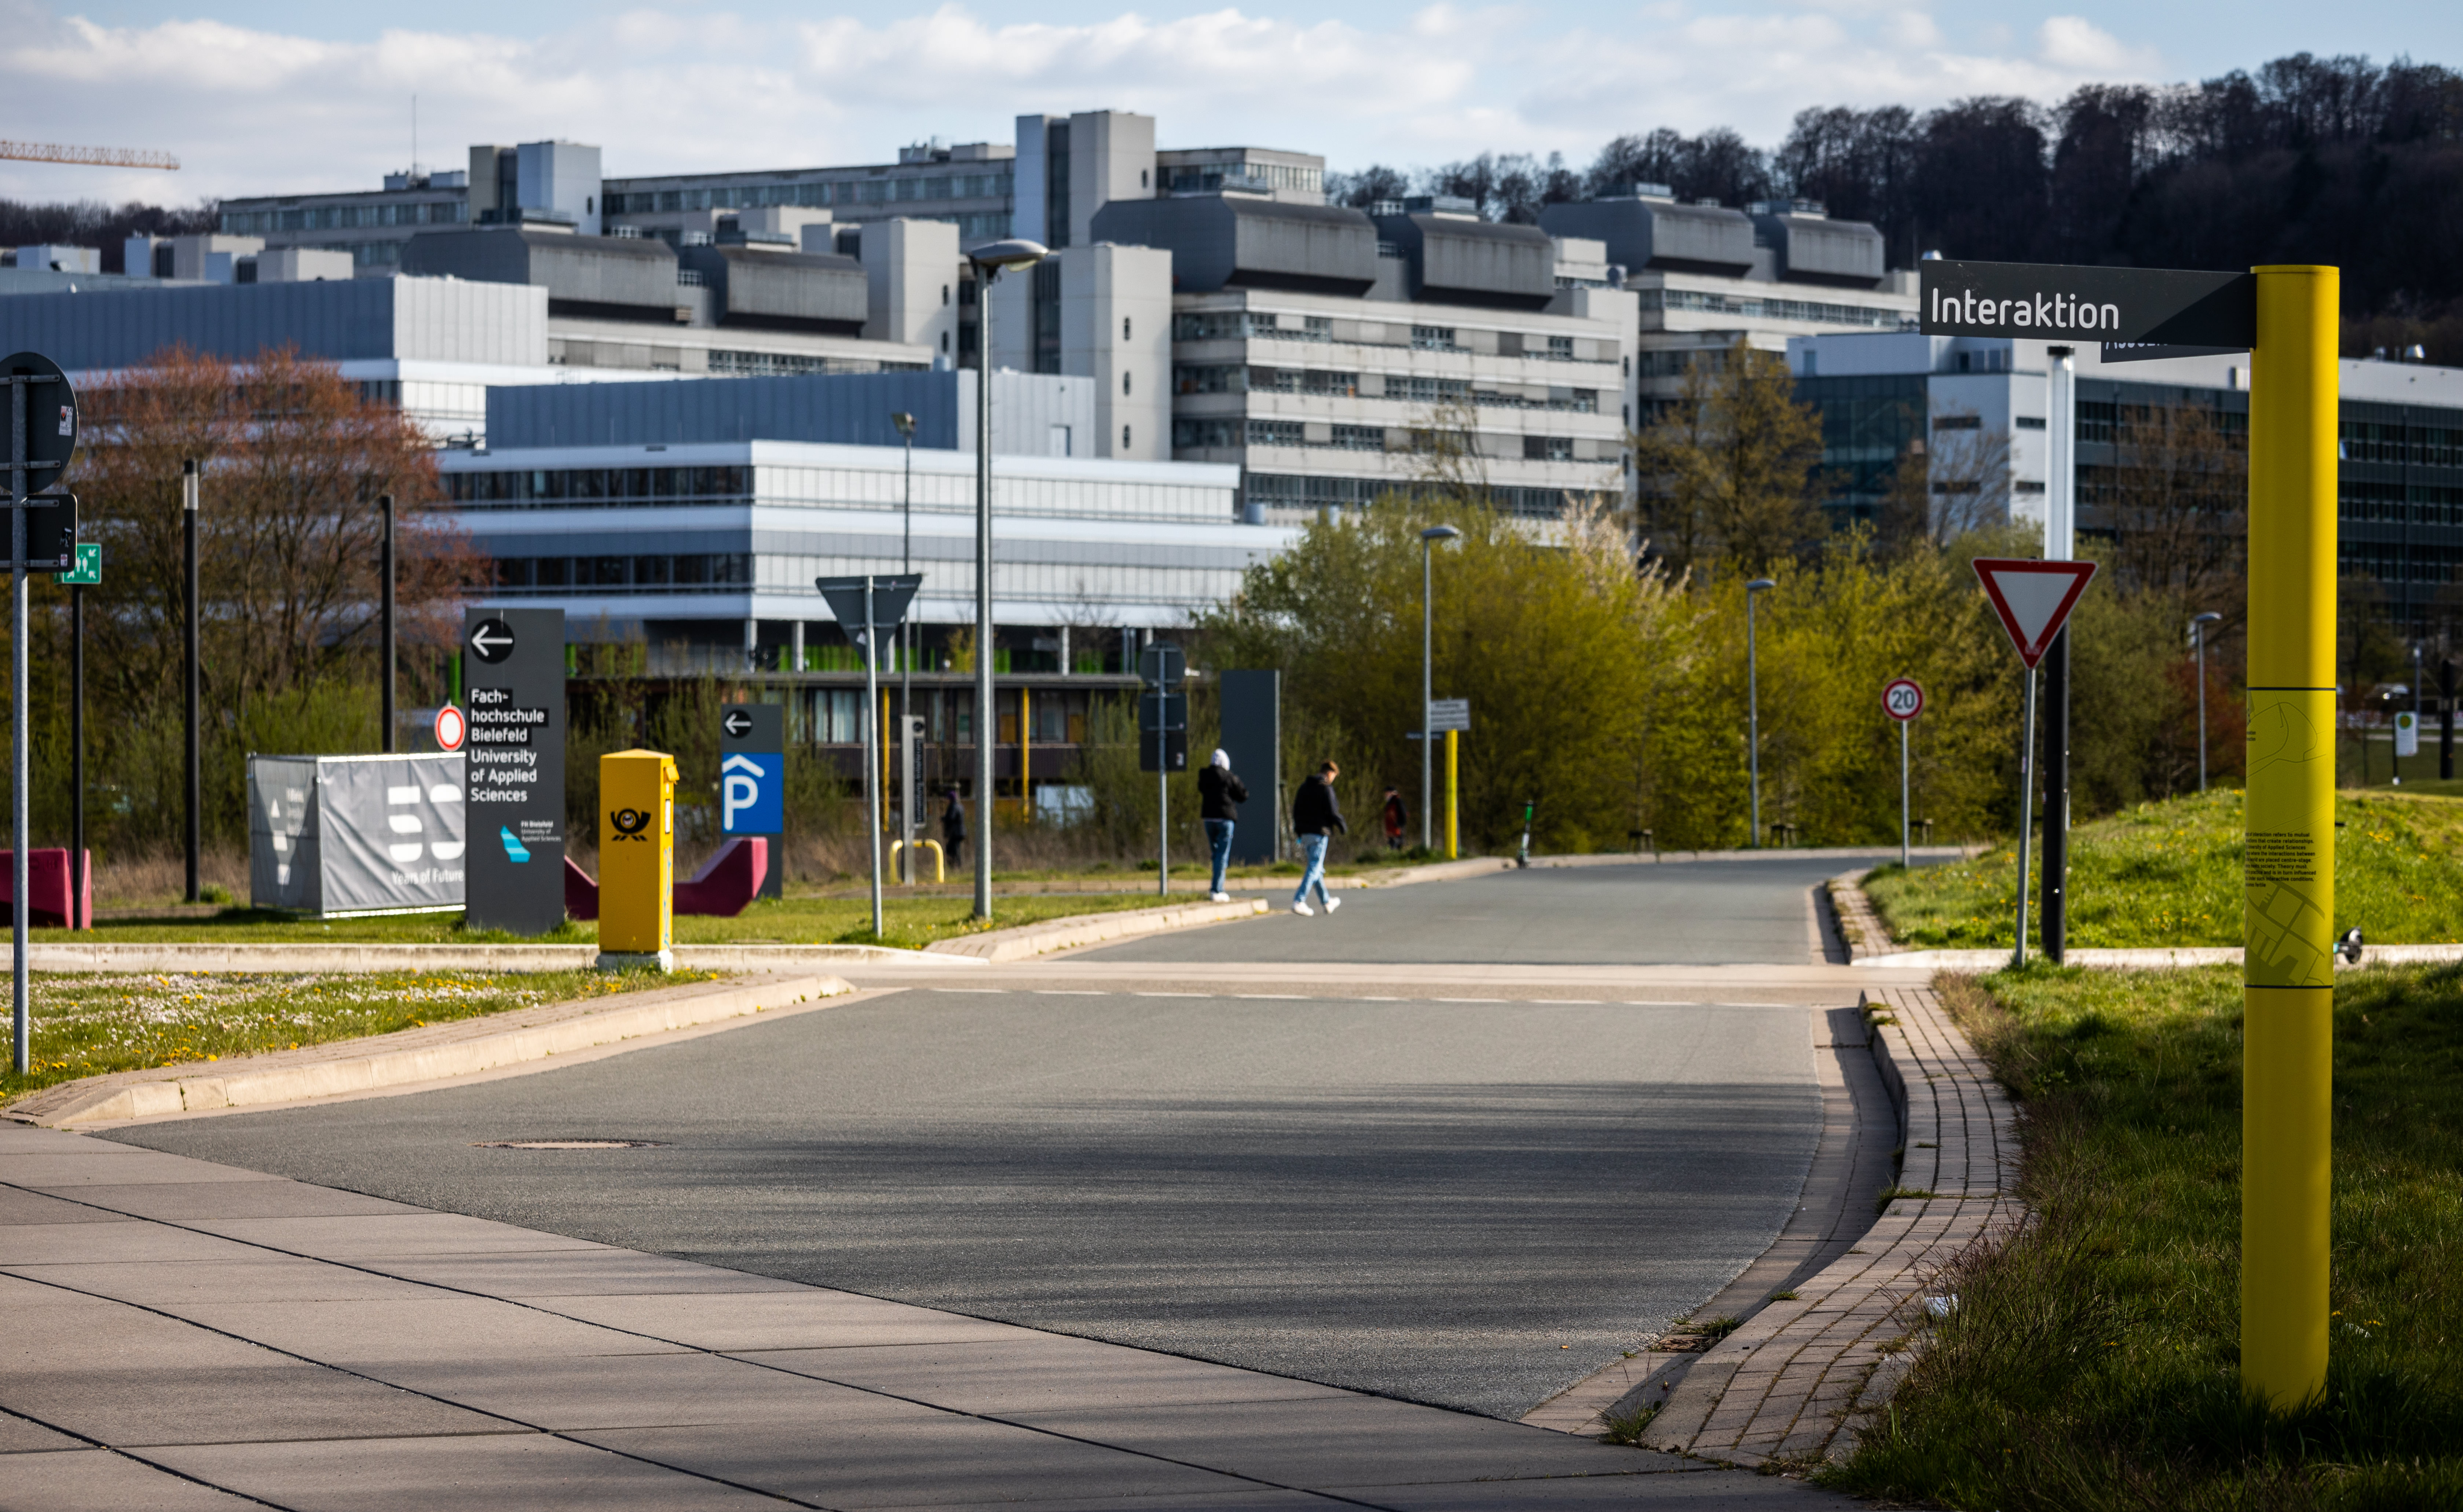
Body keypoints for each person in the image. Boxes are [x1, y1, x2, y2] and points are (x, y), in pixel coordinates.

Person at [1289, 760, 1346, 917]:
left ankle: (1327, 901)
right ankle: (1299, 901)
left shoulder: (1304, 787)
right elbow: (1333, 811)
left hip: (1305, 834)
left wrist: (1298, 830)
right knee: (1315, 867)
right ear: (1330, 773)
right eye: (1334, 776)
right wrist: (1342, 825)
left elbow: (1296, 810)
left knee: (1316, 868)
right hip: (1319, 834)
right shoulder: (1326, 788)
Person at [1197, 748, 1247, 903]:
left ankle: (1216, 886)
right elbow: (1243, 795)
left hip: (1209, 819)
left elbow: (1201, 789)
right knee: (1222, 855)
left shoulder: (1205, 776)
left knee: (1216, 853)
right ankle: (1217, 890)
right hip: (1225, 819)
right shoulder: (1229, 777)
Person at [940, 786, 966, 870]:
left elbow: (951, 818)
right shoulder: (960, 806)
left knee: (953, 849)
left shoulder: (953, 807)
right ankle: (956, 866)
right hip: (961, 832)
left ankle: (956, 866)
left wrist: (943, 819)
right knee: (955, 848)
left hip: (956, 832)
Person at [1381, 787, 1408, 851]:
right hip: (1391, 828)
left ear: (1392, 793)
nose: (1386, 795)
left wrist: (1400, 824)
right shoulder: (1390, 803)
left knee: (1397, 844)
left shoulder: (1398, 801)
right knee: (1392, 844)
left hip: (1397, 828)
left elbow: (1404, 813)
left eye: (1387, 793)